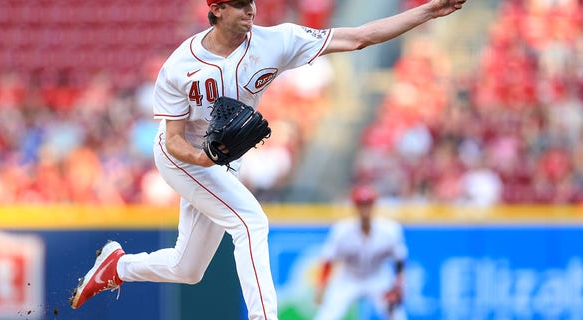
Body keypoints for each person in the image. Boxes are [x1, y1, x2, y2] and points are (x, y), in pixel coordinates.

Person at [69, 0, 467, 319]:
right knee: (251, 222)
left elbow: (359, 36)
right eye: (240, 4)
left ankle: (118, 267)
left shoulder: (277, 40)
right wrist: (200, 158)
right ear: (217, 9)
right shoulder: (180, 65)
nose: (251, 10)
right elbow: (172, 138)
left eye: (252, 3)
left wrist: (429, 10)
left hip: (220, 160)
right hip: (181, 157)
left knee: (187, 270)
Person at [314, 185, 408, 320]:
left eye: (368, 204)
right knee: (326, 316)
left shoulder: (390, 230)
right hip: (349, 278)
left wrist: (399, 284)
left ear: (374, 205)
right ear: (355, 207)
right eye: (361, 204)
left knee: (397, 317)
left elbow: (399, 259)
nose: (365, 208)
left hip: (378, 277)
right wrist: (321, 286)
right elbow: (328, 260)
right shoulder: (341, 231)